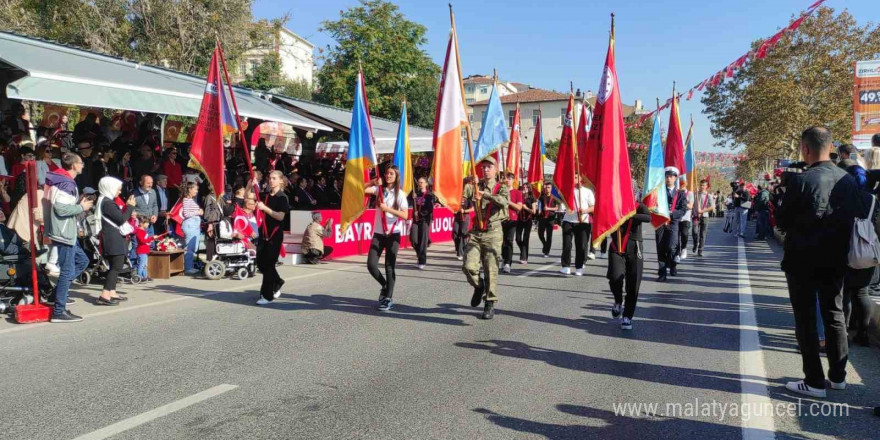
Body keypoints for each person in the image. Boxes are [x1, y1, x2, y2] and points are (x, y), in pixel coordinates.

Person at [775, 126, 864, 399]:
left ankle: (814, 381)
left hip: (802, 260)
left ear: (805, 148)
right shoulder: (848, 181)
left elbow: (782, 220)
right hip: (836, 258)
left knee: (806, 319)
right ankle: (838, 377)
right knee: (835, 315)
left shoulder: (801, 181)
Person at [44, 153, 93, 322]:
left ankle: (56, 295)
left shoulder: (62, 180)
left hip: (65, 230)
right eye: (81, 163)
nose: (83, 165)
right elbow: (61, 209)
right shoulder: (65, 182)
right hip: (64, 232)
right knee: (67, 271)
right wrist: (81, 207)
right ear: (73, 165)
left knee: (82, 261)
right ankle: (59, 310)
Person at [462, 156, 509, 320]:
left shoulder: (500, 187)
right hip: (476, 231)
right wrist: (466, 181)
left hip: (493, 232)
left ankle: (489, 303)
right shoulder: (475, 185)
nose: (486, 169)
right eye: (484, 167)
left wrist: (486, 196)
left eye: (489, 167)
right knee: (468, 265)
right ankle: (479, 285)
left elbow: (504, 202)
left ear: (496, 169)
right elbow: (460, 194)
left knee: (491, 268)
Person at [364, 165, 408, 311]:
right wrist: (373, 182)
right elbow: (361, 189)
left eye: (391, 174)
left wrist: (387, 209)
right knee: (371, 265)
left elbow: (405, 215)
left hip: (393, 234)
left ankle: (387, 298)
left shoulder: (400, 194)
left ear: (396, 177)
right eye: (387, 173)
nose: (388, 176)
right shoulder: (379, 191)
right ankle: (384, 285)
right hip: (378, 233)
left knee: (390, 266)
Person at [608, 183, 652, 330]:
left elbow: (647, 217)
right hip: (617, 246)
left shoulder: (638, 206)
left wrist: (630, 214)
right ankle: (618, 301)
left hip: (635, 248)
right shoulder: (613, 205)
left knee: (633, 284)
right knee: (615, 277)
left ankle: (627, 316)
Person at [94, 176, 135, 306]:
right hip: (113, 239)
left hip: (112, 238)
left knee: (114, 266)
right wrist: (129, 207)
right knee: (116, 267)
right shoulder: (108, 203)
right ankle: (105, 294)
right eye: (118, 189)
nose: (119, 192)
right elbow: (121, 218)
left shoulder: (105, 201)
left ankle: (112, 291)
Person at [255, 171, 290, 305]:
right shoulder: (266, 195)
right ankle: (278, 281)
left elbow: (280, 216)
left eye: (274, 178)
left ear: (281, 181)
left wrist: (265, 208)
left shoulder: (283, 197)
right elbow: (250, 196)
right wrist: (249, 185)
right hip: (264, 232)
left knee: (269, 265)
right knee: (261, 263)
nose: (271, 180)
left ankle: (267, 295)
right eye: (270, 178)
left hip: (275, 234)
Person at [655, 167, 687, 282]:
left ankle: (673, 264)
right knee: (660, 247)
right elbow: (654, 205)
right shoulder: (659, 192)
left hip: (673, 223)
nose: (668, 178)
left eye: (671, 176)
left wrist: (673, 213)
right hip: (661, 222)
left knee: (671, 246)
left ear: (675, 178)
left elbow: (683, 209)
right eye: (667, 176)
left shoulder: (680, 194)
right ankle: (662, 273)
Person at [559, 174, 594, 276]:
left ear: (581, 179)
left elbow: (593, 207)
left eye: (575, 177)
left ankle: (579, 267)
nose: (573, 178)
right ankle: (566, 266)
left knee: (581, 245)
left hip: (582, 221)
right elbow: (562, 205)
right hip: (568, 220)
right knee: (567, 245)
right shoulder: (568, 191)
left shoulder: (588, 191)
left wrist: (585, 210)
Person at [500, 172, 524, 273]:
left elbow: (519, 207)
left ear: (513, 180)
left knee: (509, 241)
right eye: (506, 178)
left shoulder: (517, 193)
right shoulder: (500, 191)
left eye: (510, 178)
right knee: (501, 242)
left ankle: (508, 263)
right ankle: (504, 258)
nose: (508, 180)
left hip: (512, 220)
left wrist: (508, 201)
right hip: (500, 219)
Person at [410, 176, 435, 269]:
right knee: (413, 239)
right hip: (416, 221)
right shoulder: (416, 194)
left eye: (422, 182)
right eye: (419, 182)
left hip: (425, 220)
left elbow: (430, 209)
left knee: (422, 242)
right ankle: (419, 254)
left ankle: (422, 261)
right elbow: (414, 206)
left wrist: (419, 213)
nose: (420, 184)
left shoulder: (429, 195)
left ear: (426, 184)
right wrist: (413, 199)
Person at [179, 181, 203, 275]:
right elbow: (186, 214)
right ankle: (188, 267)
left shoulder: (191, 200)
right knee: (190, 247)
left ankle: (190, 266)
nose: (197, 191)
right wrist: (198, 212)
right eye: (195, 189)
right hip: (190, 225)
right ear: (189, 189)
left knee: (193, 247)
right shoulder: (186, 200)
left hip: (194, 225)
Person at [452, 177, 474, 261]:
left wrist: (464, 210)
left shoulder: (468, 199)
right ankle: (458, 249)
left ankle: (461, 252)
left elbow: (472, 209)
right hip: (457, 217)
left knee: (463, 233)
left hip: (465, 217)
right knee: (455, 234)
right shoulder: (456, 197)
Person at [692, 179, 715, 256]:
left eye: (703, 185)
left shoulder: (709, 196)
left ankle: (700, 250)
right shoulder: (695, 194)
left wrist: (702, 211)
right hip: (695, 216)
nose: (702, 186)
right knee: (695, 232)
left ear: (706, 186)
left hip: (704, 216)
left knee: (703, 234)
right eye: (701, 185)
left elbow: (712, 207)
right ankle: (695, 244)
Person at [516, 183, 537, 264]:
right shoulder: (519, 197)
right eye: (523, 187)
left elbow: (534, 211)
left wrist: (525, 207)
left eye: (526, 187)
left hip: (528, 220)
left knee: (525, 239)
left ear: (529, 189)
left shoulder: (532, 198)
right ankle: (523, 251)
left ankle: (524, 257)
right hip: (519, 219)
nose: (524, 188)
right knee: (517, 239)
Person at [537, 183, 557, 258]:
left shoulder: (554, 197)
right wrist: (538, 210)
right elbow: (539, 205)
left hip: (550, 218)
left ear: (551, 188)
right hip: (542, 217)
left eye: (548, 187)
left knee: (549, 235)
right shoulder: (542, 197)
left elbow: (556, 208)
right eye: (545, 188)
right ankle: (545, 244)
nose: (547, 189)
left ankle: (547, 251)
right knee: (540, 233)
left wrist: (549, 208)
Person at [133, 215, 155, 282]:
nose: (148, 224)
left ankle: (145, 276)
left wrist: (150, 240)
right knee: (141, 264)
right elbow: (142, 240)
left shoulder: (143, 231)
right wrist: (151, 238)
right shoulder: (140, 231)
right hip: (141, 251)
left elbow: (145, 240)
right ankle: (139, 276)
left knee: (145, 265)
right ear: (142, 223)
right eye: (147, 223)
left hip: (145, 251)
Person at [677, 181, 694, 261]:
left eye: (683, 185)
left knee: (684, 234)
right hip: (676, 217)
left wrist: (682, 203)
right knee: (676, 236)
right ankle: (677, 252)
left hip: (686, 218)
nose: (681, 186)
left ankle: (684, 248)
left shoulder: (690, 194)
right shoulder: (676, 193)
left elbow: (690, 206)